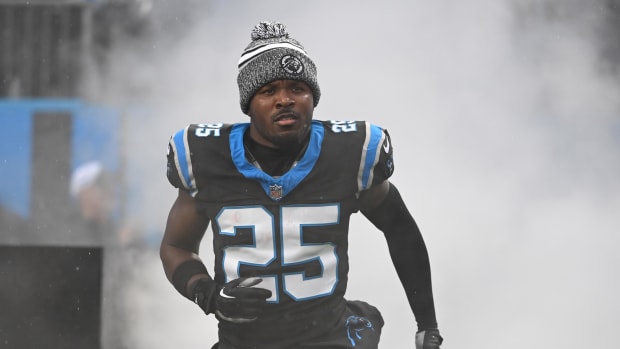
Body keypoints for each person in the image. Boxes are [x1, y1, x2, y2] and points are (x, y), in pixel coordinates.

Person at [161, 21, 443, 349]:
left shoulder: (350, 154)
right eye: (269, 91)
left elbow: (401, 230)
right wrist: (208, 294)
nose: (285, 100)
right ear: (249, 104)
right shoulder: (206, 158)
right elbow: (176, 247)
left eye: (297, 88)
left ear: (313, 97)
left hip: (330, 338)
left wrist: (427, 324)